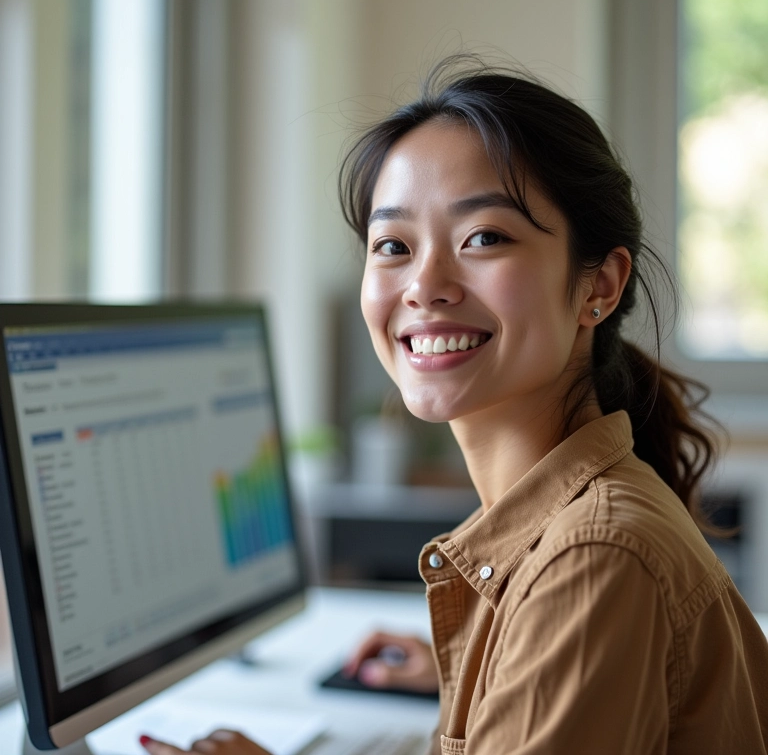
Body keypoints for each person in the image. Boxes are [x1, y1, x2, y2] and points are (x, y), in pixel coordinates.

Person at [141, 56, 768, 755]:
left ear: (600, 284)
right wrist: (482, 675)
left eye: (484, 238)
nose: (425, 285)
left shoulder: (593, 558)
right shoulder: (565, 530)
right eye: (392, 246)